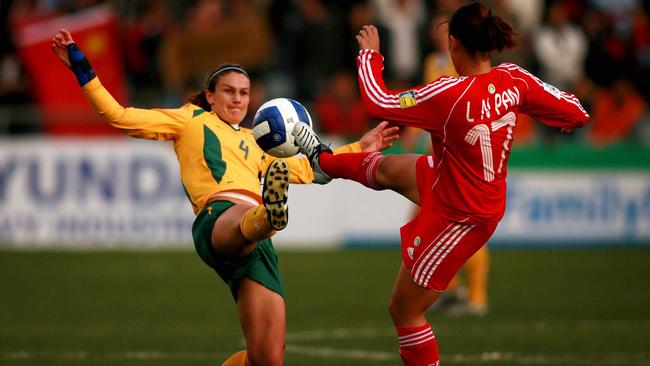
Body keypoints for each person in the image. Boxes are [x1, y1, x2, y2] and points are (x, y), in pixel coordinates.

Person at [51, 29, 398, 366]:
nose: (237, 99)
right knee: (243, 217)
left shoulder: (259, 142)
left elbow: (313, 171)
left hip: (257, 245)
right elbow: (118, 116)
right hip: (218, 220)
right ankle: (269, 215)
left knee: (266, 359)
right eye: (229, 92)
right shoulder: (187, 120)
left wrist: (359, 148)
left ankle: (267, 216)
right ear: (211, 95)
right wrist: (82, 66)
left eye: (244, 93)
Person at [291, 2, 589, 364]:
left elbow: (379, 102)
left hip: (459, 214)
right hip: (455, 180)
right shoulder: (515, 79)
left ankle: (322, 162)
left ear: (454, 45)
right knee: (387, 170)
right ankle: (322, 161)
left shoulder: (449, 94)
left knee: (405, 311)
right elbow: (576, 111)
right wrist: (564, 122)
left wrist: (369, 56)